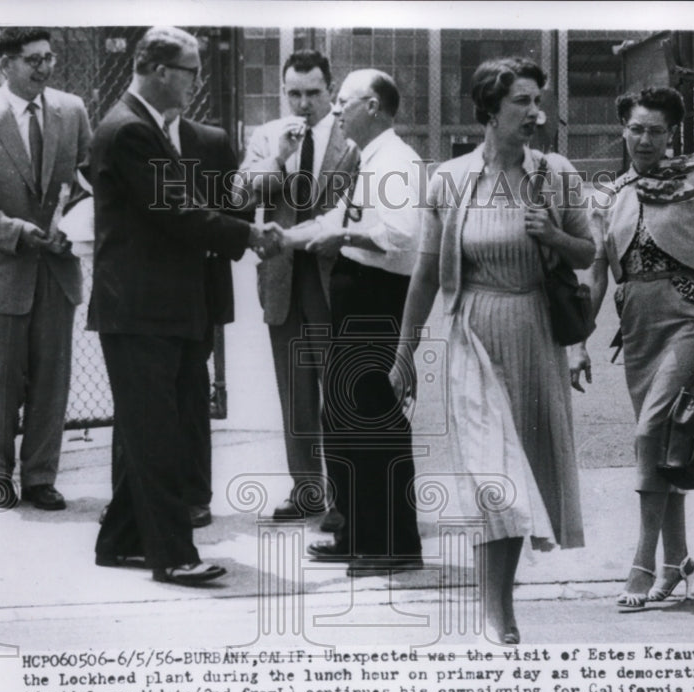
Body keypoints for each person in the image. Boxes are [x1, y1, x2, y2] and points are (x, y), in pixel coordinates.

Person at [389, 57, 592, 643]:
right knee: (491, 478)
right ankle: (495, 610)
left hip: (533, 336)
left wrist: (552, 235)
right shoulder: (448, 180)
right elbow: (425, 275)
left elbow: (588, 253)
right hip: (472, 337)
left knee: (520, 477)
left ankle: (500, 603)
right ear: (489, 110)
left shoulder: (555, 174)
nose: (536, 113)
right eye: (522, 102)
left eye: (538, 101)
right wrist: (405, 354)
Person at [87, 26, 280, 587]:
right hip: (141, 312)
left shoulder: (142, 126)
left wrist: (239, 229)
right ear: (161, 71)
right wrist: (251, 236)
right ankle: (172, 555)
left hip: (159, 310)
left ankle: (120, 541)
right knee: (157, 437)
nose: (197, 82)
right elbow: (178, 213)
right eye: (192, 70)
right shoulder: (129, 131)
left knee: (155, 431)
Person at [581, 86, 694, 609]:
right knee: (665, 446)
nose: (645, 139)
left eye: (657, 130)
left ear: (671, 135)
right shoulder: (610, 195)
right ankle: (679, 560)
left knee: (649, 434)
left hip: (688, 320)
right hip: (639, 327)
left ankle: (641, 565)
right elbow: (599, 275)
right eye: (637, 128)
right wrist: (580, 342)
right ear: (623, 129)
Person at [282, 69, 424, 577]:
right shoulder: (370, 160)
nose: (336, 110)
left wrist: (342, 236)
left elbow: (401, 235)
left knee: (371, 423)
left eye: (344, 101)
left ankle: (393, 543)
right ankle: (357, 534)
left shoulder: (399, 163)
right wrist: (284, 239)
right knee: (340, 419)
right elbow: (333, 217)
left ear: (375, 106)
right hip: (356, 299)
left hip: (378, 301)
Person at [0, 27, 92, 511]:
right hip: (3, 270)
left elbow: (91, 182)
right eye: (33, 60)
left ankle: (40, 477)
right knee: (3, 380)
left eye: (49, 58)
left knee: (52, 380)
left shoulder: (71, 112)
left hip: (57, 268)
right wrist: (15, 231)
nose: (44, 68)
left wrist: (76, 226)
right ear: (4, 64)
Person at [239, 50, 360, 532]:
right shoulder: (267, 136)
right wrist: (278, 158)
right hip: (284, 277)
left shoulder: (351, 137)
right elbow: (242, 194)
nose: (304, 103)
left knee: (340, 390)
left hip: (334, 277)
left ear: (330, 91)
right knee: (295, 392)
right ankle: (307, 489)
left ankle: (347, 496)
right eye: (294, 93)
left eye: (313, 92)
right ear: (283, 92)